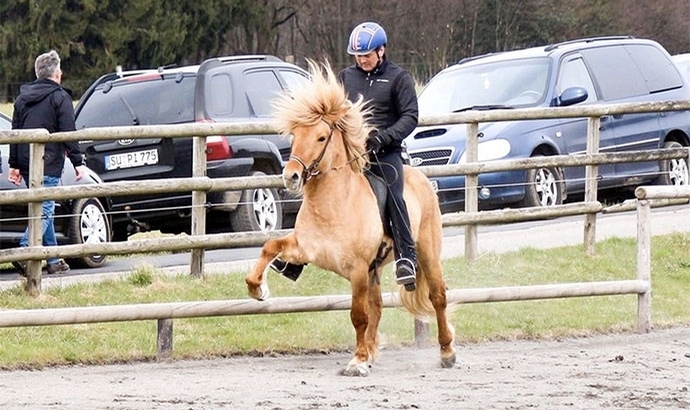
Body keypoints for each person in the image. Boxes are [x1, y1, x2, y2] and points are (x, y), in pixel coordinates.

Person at [271, 21, 420, 290]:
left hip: (385, 155)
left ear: (381, 51)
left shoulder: (399, 78)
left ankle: (406, 258)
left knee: (394, 194)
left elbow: (411, 117)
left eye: (366, 55)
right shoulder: (345, 78)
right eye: (357, 56)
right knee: (317, 189)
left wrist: (384, 137)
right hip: (350, 155)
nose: (361, 60)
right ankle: (297, 257)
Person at [8, 49, 86, 276]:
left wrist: (14, 164)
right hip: (49, 162)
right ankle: (25, 251)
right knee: (46, 210)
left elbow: (15, 132)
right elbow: (68, 132)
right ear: (57, 73)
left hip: (26, 162)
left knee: (42, 208)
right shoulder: (60, 97)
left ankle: (53, 260)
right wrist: (78, 162)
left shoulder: (22, 98)